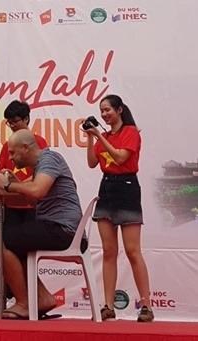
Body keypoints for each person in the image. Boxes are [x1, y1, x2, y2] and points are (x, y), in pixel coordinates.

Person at [0, 129, 85, 320]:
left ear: (26, 148)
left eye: (13, 152)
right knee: (13, 242)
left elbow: (37, 191)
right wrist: (15, 182)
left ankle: (24, 303)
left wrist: (9, 186)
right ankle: (43, 298)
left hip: (64, 230)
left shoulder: (49, 159)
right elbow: (33, 199)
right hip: (58, 228)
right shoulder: (41, 166)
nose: (10, 157)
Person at [84, 94, 154, 322]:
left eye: (108, 110)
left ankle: (146, 305)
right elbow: (92, 163)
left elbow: (121, 157)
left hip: (127, 188)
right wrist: (90, 138)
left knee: (133, 251)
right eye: (101, 111)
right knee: (108, 251)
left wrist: (100, 138)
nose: (104, 114)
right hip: (107, 188)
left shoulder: (131, 132)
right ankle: (108, 305)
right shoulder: (102, 135)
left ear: (119, 110)